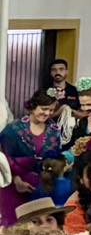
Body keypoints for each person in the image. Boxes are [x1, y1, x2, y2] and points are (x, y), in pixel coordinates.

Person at [3, 91, 70, 223]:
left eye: (51, 110)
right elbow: (4, 160)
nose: (47, 113)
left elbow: (56, 158)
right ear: (33, 106)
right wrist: (17, 181)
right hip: (15, 186)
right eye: (44, 109)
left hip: (44, 188)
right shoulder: (13, 129)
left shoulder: (55, 131)